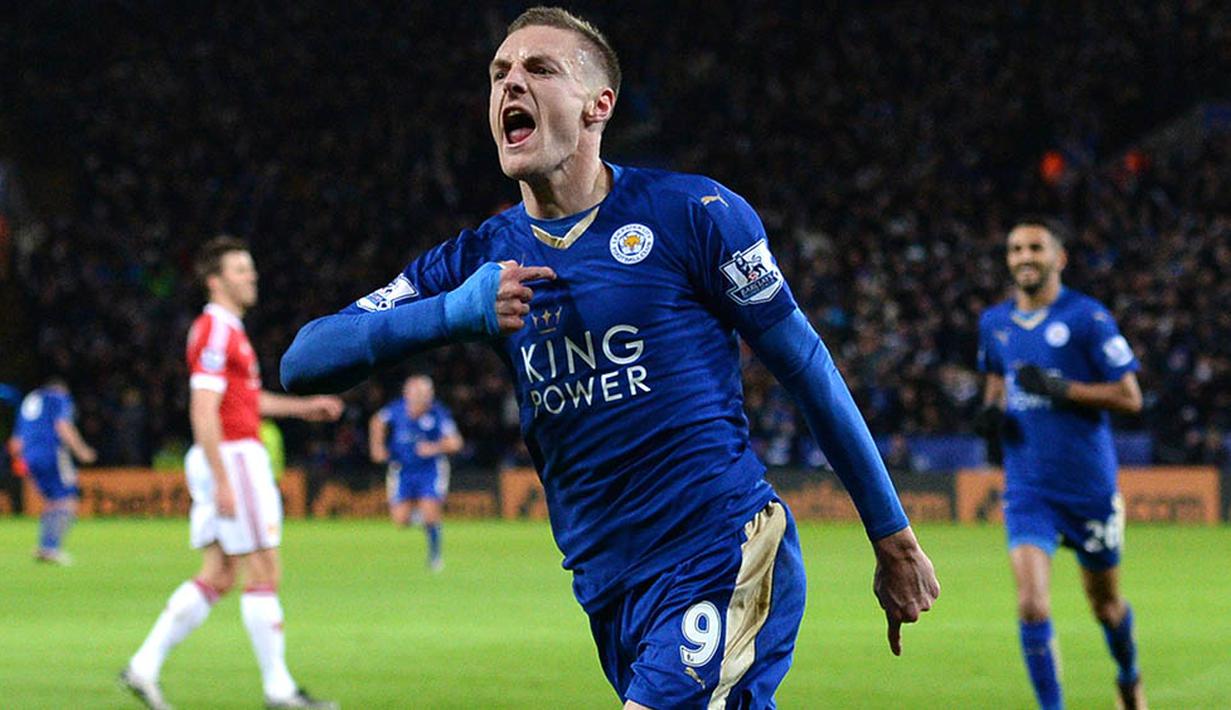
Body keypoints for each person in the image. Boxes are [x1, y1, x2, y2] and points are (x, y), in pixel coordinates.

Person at [281, 7, 939, 707]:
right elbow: (304, 359)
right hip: (609, 589)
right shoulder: (476, 262)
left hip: (722, 552)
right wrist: (450, 313)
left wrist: (891, 535)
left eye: (539, 69)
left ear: (599, 106)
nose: (510, 85)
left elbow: (806, 368)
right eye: (499, 73)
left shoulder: (694, 213)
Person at [120, 236, 344, 710]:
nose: (252, 277)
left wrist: (305, 408)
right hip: (234, 457)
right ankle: (279, 689)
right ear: (215, 281)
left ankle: (143, 666)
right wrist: (222, 478)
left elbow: (243, 402)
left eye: (251, 269)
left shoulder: (226, 331)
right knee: (264, 566)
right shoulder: (216, 331)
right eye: (241, 270)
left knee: (220, 573)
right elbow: (203, 409)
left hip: (231, 452)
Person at [975, 218, 1146, 710]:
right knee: (1031, 603)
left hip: (1088, 487)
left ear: (1058, 257)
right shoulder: (994, 323)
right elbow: (996, 383)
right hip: (1030, 488)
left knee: (1106, 607)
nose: (1024, 257)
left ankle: (1129, 677)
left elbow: (1131, 396)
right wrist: (991, 418)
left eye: (1035, 248)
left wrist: (1063, 389)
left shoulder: (1088, 318)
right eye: (1015, 249)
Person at [369, 375, 461, 571]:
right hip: (402, 469)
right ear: (407, 394)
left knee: (430, 513)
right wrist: (377, 446)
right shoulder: (396, 410)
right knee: (400, 521)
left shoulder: (439, 413)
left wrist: (434, 447)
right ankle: (429, 520)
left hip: (430, 469)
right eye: (417, 393)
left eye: (425, 394)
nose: (422, 398)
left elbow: (455, 442)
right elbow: (377, 421)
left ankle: (435, 556)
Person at [8, 377, 97, 564]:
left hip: (30, 456)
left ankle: (45, 547)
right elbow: (62, 426)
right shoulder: (58, 397)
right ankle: (52, 548)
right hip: (51, 453)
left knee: (51, 502)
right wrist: (82, 451)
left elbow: (16, 442)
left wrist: (22, 461)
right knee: (68, 500)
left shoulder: (29, 401)